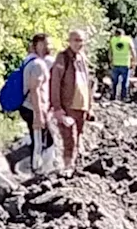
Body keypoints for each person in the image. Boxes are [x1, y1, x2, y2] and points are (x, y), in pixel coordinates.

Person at [49, 29, 93, 169]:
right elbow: (55, 83)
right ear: (69, 41)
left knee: (78, 137)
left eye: (81, 40)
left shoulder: (83, 59)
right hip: (68, 105)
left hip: (82, 106)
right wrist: (57, 107)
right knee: (69, 139)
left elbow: (88, 84)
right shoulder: (63, 58)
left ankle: (76, 166)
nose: (78, 43)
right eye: (75, 40)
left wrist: (90, 106)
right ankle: (68, 167)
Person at [20, 33, 54, 172]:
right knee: (39, 142)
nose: (48, 47)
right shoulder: (38, 64)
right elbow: (35, 90)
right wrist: (39, 114)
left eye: (48, 43)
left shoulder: (28, 60)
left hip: (29, 106)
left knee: (45, 140)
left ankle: (42, 167)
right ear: (36, 45)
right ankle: (37, 169)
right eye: (44, 44)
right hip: (33, 107)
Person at [108, 28, 135, 101]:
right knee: (125, 82)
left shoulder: (113, 40)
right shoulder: (127, 39)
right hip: (125, 63)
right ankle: (123, 97)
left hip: (115, 63)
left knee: (114, 81)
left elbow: (110, 52)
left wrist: (110, 61)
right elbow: (132, 50)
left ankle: (113, 96)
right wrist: (134, 61)